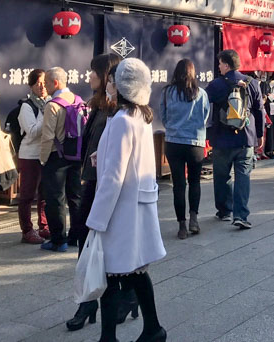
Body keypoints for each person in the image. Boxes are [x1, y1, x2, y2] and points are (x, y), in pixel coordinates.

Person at [87, 58, 166, 342]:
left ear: (121, 86)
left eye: (112, 80)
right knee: (134, 270)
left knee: (110, 276)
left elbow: (113, 177)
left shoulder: (121, 119)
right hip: (137, 203)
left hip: (120, 209)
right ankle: (153, 328)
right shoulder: (141, 115)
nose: (108, 85)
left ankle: (109, 337)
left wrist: (97, 219)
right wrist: (103, 152)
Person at [67, 53, 127, 333]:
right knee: (84, 240)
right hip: (90, 181)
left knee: (100, 245)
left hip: (105, 186)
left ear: (107, 76)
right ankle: (89, 300)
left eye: (93, 72)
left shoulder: (118, 109)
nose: (88, 76)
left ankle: (102, 300)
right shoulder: (98, 106)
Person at [205, 49, 266, 230]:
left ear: (226, 64)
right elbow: (259, 111)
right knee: (243, 176)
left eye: (220, 64)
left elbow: (203, 104)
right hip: (245, 137)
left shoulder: (216, 85)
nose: (218, 67)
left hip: (222, 139)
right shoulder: (252, 83)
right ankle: (241, 215)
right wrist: (260, 134)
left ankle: (225, 210)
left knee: (222, 176)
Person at [160, 58, 210, 240]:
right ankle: (194, 219)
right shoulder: (201, 94)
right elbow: (205, 117)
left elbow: (163, 116)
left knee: (178, 185)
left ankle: (181, 225)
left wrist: (174, 127)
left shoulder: (167, 93)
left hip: (173, 142)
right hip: (195, 142)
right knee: (195, 182)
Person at [37, 66, 82, 251]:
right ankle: (76, 236)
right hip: (76, 155)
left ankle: (58, 240)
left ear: (55, 82)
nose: (45, 86)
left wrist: (42, 159)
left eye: (46, 82)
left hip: (57, 156)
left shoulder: (53, 105)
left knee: (55, 198)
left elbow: (48, 136)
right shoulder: (78, 100)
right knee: (76, 197)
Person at [16, 68, 50, 244]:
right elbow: (32, 131)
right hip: (30, 155)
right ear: (31, 86)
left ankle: (44, 226)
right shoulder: (26, 107)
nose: (42, 86)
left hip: (46, 154)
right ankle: (27, 230)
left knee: (44, 194)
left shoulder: (50, 102)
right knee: (27, 195)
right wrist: (48, 116)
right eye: (38, 83)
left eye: (45, 82)